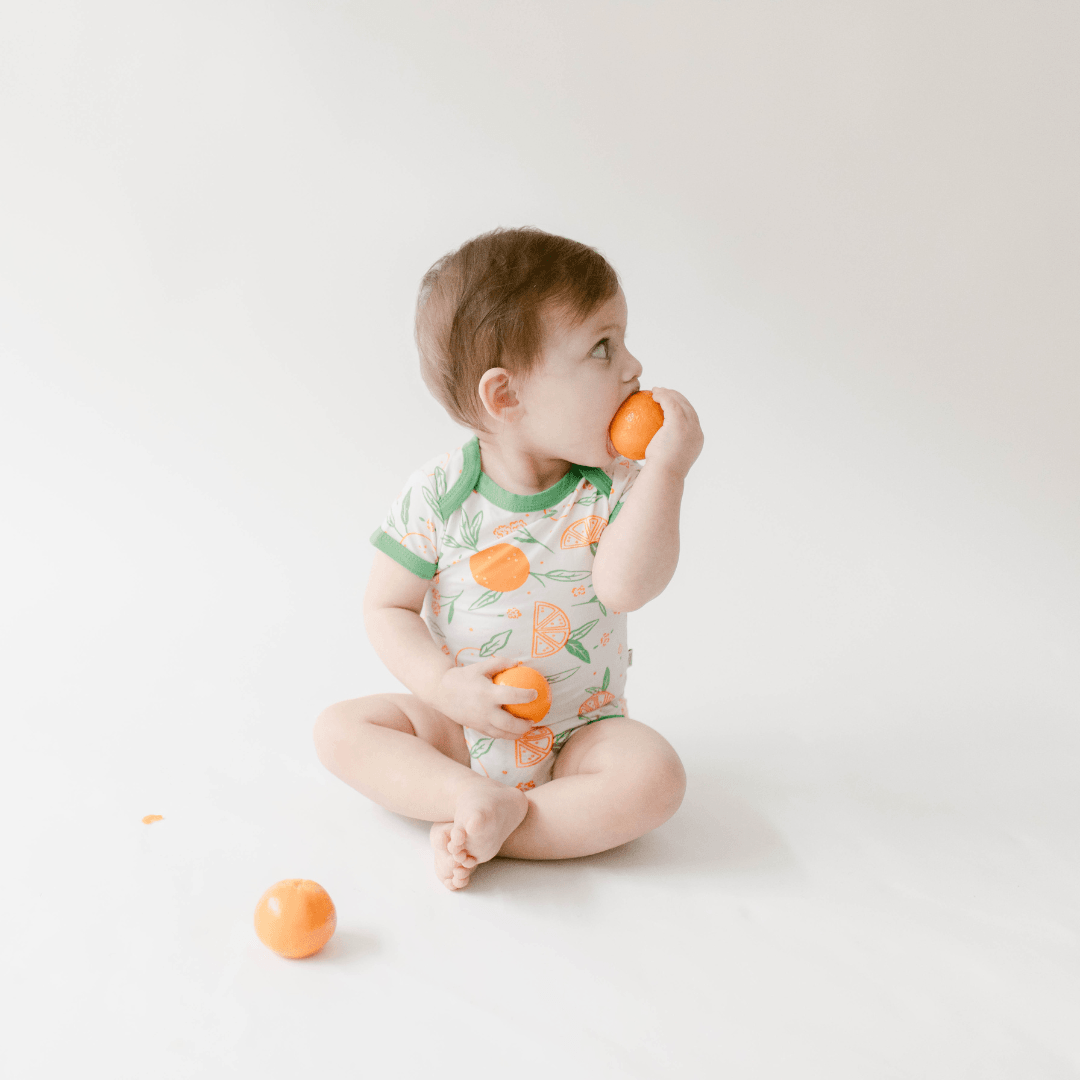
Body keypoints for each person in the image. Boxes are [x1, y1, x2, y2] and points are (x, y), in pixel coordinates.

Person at [313, 227, 704, 890]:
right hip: (461, 730)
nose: (634, 366)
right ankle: (467, 794)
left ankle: (493, 822)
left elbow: (625, 587)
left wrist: (667, 472)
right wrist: (443, 688)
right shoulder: (440, 494)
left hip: (580, 734)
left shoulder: (612, 487)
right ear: (507, 397)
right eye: (603, 347)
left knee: (655, 777)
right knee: (340, 730)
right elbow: (388, 608)